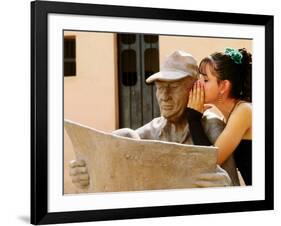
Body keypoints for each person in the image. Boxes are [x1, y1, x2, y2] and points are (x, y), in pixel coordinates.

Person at [69, 50, 233, 190]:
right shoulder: (150, 131)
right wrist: (86, 172)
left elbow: (233, 186)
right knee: (125, 135)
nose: (164, 97)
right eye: (160, 88)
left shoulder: (212, 126)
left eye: (174, 87)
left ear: (195, 90)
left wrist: (224, 187)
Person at [186, 48, 252, 185]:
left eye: (205, 79)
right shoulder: (228, 117)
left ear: (223, 86)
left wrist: (193, 119)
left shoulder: (244, 111)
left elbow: (211, 162)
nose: (198, 85)